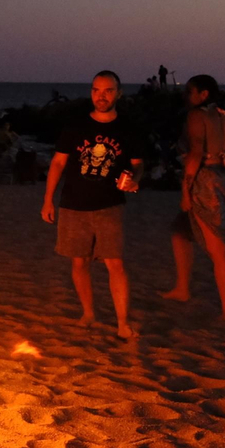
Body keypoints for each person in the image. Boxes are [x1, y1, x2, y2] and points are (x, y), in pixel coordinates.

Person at [40, 70, 145, 340]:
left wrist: (135, 179)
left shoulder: (127, 127)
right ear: (91, 92)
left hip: (109, 205)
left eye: (108, 90)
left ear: (118, 94)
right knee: (79, 262)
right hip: (73, 205)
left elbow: (137, 164)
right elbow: (58, 163)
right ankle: (88, 313)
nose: (102, 96)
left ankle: (122, 323)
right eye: (97, 90)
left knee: (115, 264)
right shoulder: (75, 125)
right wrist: (47, 200)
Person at [161, 74, 225, 323]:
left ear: (203, 94)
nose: (185, 96)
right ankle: (182, 288)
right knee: (180, 231)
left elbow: (195, 154)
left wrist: (185, 191)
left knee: (218, 249)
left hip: (206, 184)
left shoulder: (197, 117)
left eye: (189, 92)